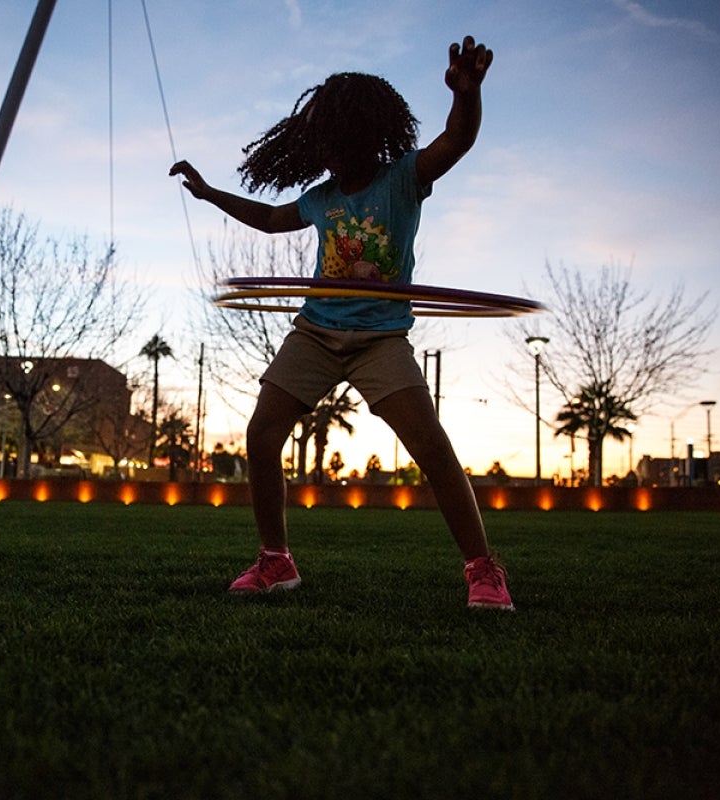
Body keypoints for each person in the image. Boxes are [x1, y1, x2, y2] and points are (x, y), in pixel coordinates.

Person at [169, 35, 513, 610]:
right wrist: (210, 195)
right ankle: (275, 561)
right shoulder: (320, 197)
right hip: (316, 332)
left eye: (345, 142)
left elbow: (458, 139)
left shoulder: (405, 177)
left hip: (381, 338)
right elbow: (272, 217)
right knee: (261, 434)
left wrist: (467, 95)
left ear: (370, 137)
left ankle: (483, 568)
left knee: (431, 447)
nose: (335, 155)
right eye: (327, 144)